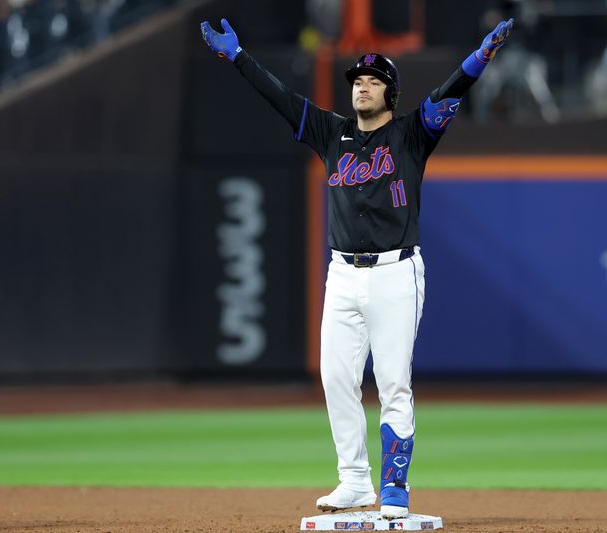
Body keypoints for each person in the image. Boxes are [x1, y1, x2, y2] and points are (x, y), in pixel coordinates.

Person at [201, 15, 513, 519]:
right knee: (335, 376)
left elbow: (449, 90)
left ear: (390, 93)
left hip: (396, 271)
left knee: (393, 381)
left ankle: (394, 487)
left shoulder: (413, 135)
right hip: (342, 273)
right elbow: (281, 98)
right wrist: (239, 58)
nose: (362, 88)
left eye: (373, 82)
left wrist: (480, 57)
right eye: (358, 82)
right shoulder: (332, 133)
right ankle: (353, 480)